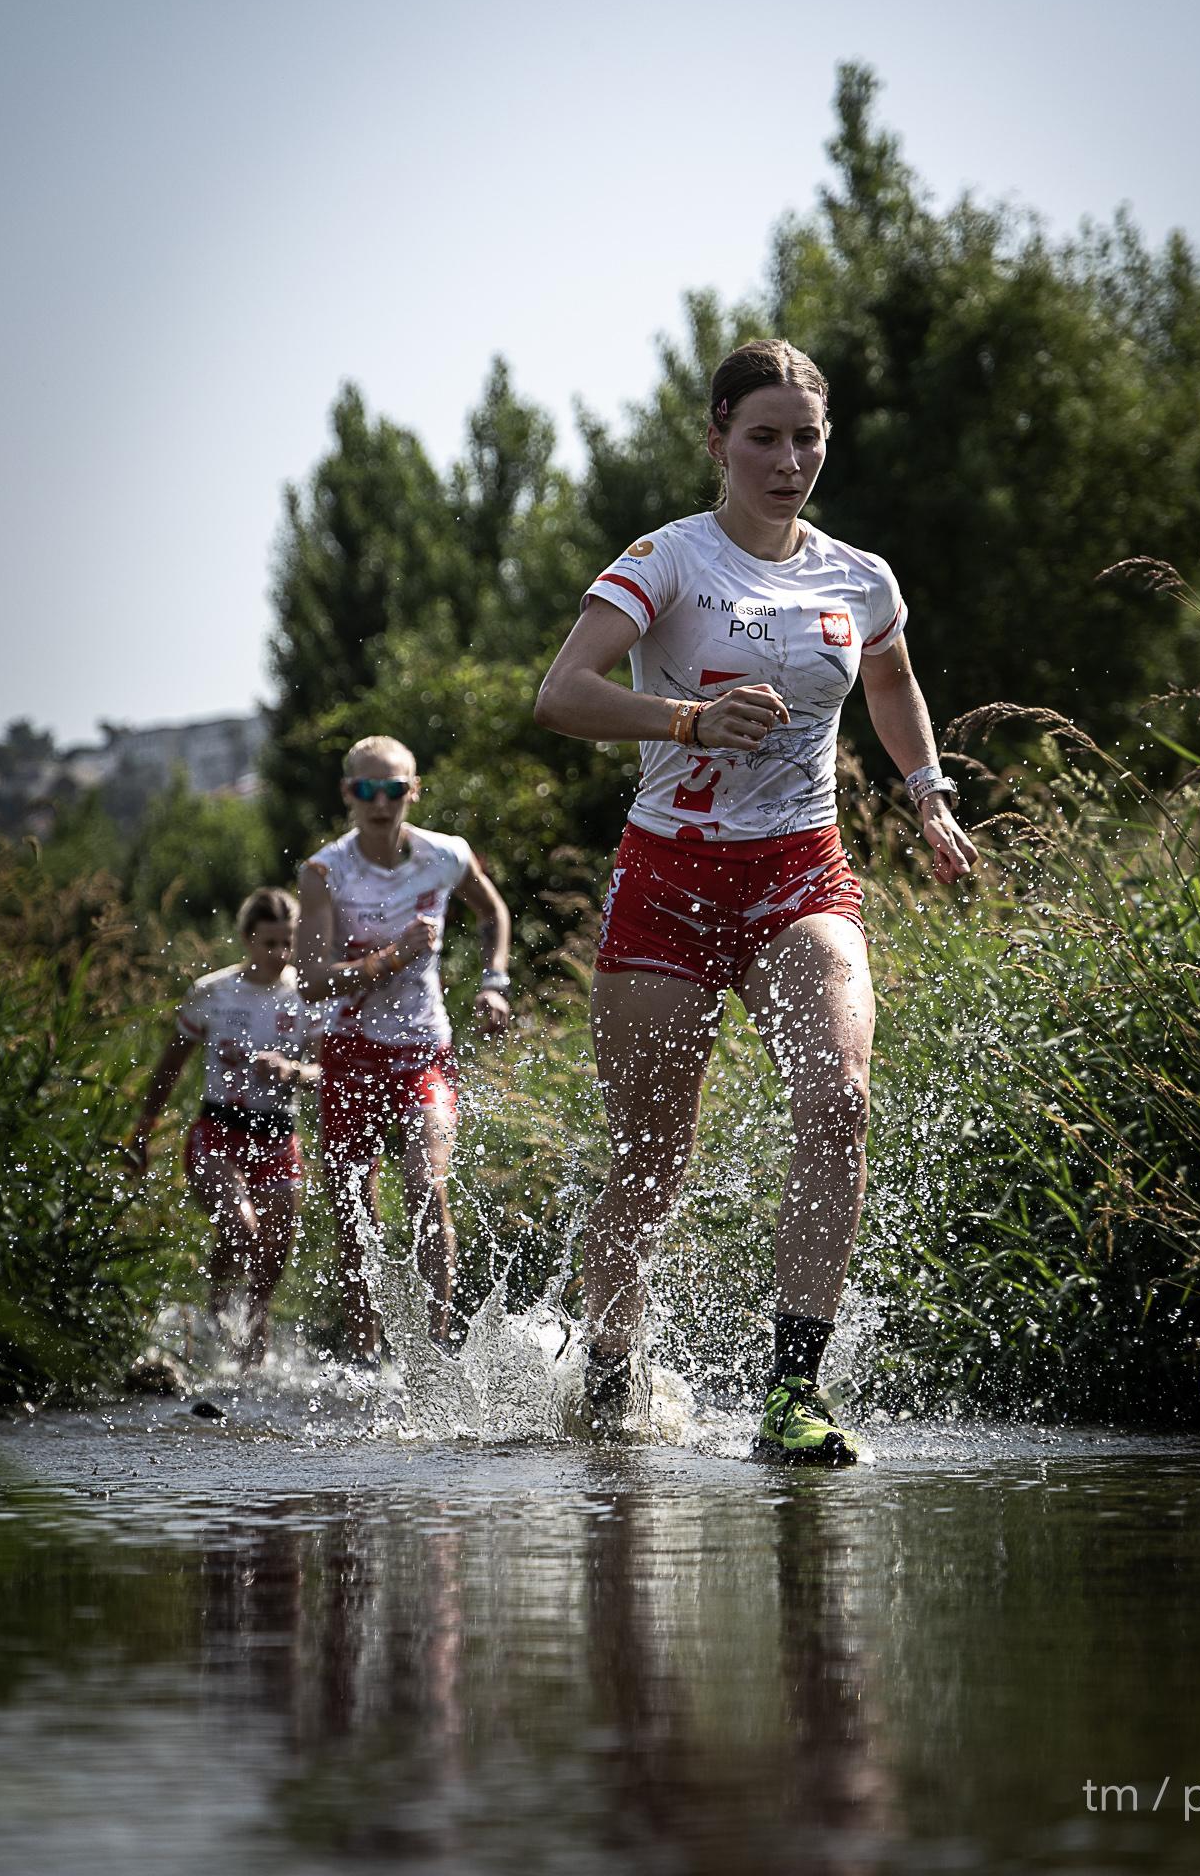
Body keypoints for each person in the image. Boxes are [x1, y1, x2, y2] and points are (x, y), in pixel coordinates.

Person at [535, 338, 978, 1462]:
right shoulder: (667, 560)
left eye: (808, 438)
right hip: (668, 879)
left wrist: (927, 797)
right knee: (651, 1159)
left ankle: (793, 1394)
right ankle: (605, 1374)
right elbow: (564, 693)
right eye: (765, 438)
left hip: (800, 870)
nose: (789, 462)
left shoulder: (858, 578)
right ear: (719, 439)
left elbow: (890, 679)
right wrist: (686, 717)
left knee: (839, 1102)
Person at [295, 735, 512, 1362]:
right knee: (355, 1207)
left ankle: (436, 1353)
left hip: (422, 1047)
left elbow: (493, 912)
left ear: (412, 792)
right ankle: (365, 1353)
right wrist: (392, 957)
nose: (380, 801)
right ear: (348, 795)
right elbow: (310, 976)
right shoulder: (324, 872)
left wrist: (494, 981)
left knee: (427, 1186)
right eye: (366, 789)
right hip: (348, 1049)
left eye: (393, 789)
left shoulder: (446, 856)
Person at [128, 886, 318, 1365]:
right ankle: (215, 1314)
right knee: (240, 1227)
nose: (280, 954)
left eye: (288, 943)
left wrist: (293, 1072)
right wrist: (144, 1128)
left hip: (279, 1137)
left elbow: (326, 1073)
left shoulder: (308, 997)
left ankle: (251, 1352)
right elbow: (170, 1067)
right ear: (247, 939)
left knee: (271, 1256)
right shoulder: (214, 992)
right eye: (269, 943)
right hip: (218, 1134)